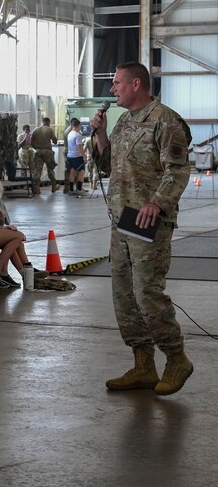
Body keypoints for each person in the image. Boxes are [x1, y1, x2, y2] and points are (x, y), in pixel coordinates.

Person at [91, 61, 193, 396]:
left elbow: (176, 169)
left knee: (147, 293)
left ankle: (176, 358)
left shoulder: (165, 120)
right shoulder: (122, 123)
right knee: (124, 296)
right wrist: (102, 134)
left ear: (136, 84)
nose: (112, 89)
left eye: (117, 82)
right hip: (122, 220)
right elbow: (108, 166)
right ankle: (143, 364)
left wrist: (157, 203)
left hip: (149, 220)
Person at [31, 117, 59, 194]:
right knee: (50, 169)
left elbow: (32, 143)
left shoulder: (35, 130)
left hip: (38, 152)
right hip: (48, 152)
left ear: (42, 122)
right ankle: (53, 186)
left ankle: (36, 188)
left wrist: (37, 148)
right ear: (48, 122)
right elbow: (55, 141)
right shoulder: (50, 130)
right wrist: (54, 139)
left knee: (38, 170)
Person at [65, 118, 86, 196]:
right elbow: (79, 147)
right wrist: (84, 156)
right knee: (82, 172)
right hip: (77, 156)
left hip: (70, 156)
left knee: (72, 172)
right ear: (79, 125)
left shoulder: (69, 134)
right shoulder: (78, 135)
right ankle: (79, 189)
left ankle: (71, 189)